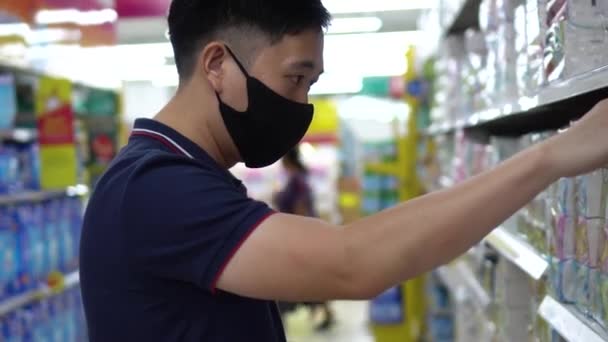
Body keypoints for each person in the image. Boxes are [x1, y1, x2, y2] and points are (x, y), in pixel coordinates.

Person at [78, 0, 608, 341]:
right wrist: (553, 155)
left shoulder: (179, 177)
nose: (301, 104)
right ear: (216, 65)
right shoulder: (152, 189)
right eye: (295, 78)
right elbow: (352, 263)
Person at [273, 147, 335, 331]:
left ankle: (285, 317)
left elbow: (300, 209)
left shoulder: (296, 181)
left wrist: (298, 236)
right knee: (310, 278)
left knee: (301, 278)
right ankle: (322, 312)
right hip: (300, 233)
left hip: (298, 235)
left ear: (287, 161)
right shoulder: (298, 179)